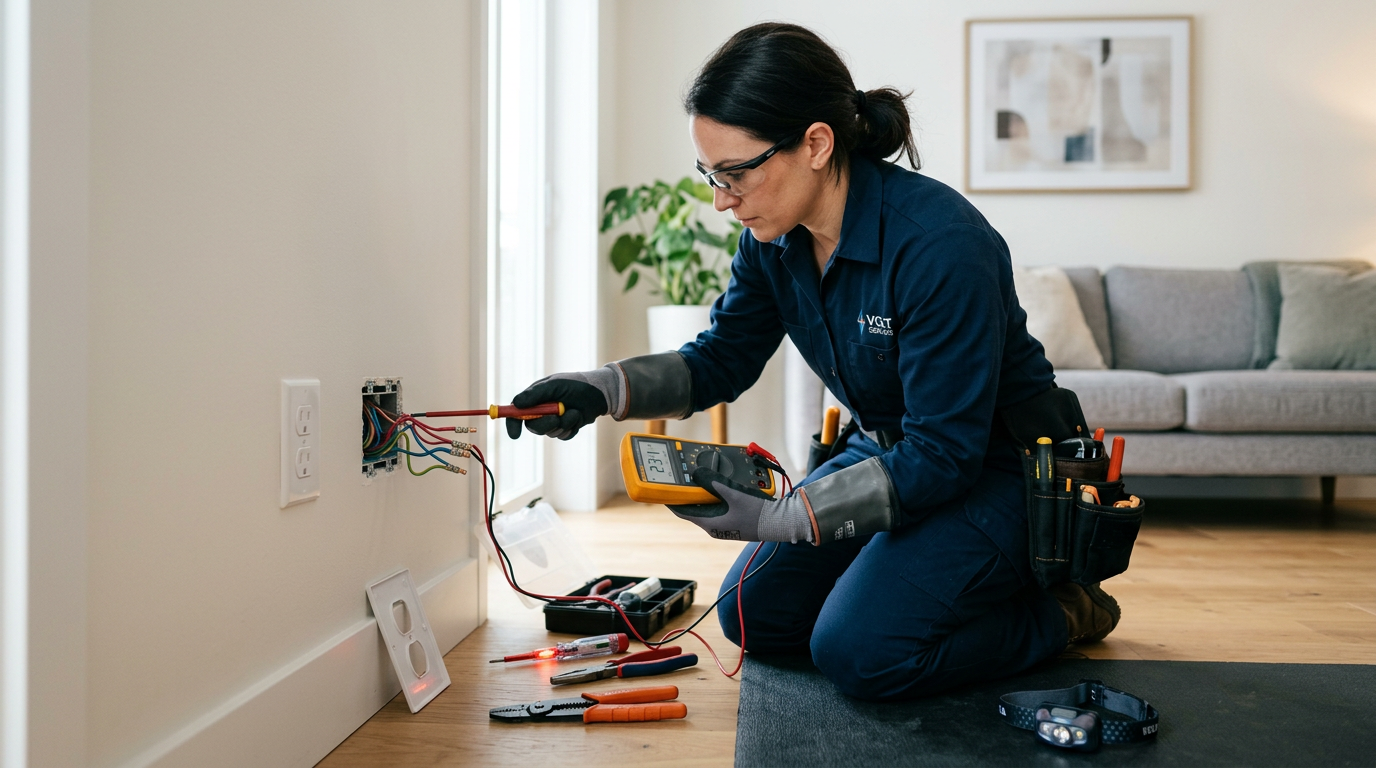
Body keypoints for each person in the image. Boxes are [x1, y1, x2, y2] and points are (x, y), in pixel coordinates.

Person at [505, 22, 1120, 701]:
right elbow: (722, 358)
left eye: (736, 174)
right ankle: (907, 587)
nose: (721, 199)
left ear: (817, 145)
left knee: (860, 653)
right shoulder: (771, 240)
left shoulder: (940, 245)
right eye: (710, 175)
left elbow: (947, 453)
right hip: (891, 452)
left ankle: (1063, 611)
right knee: (751, 614)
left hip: (1000, 469)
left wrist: (788, 517)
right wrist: (600, 390)